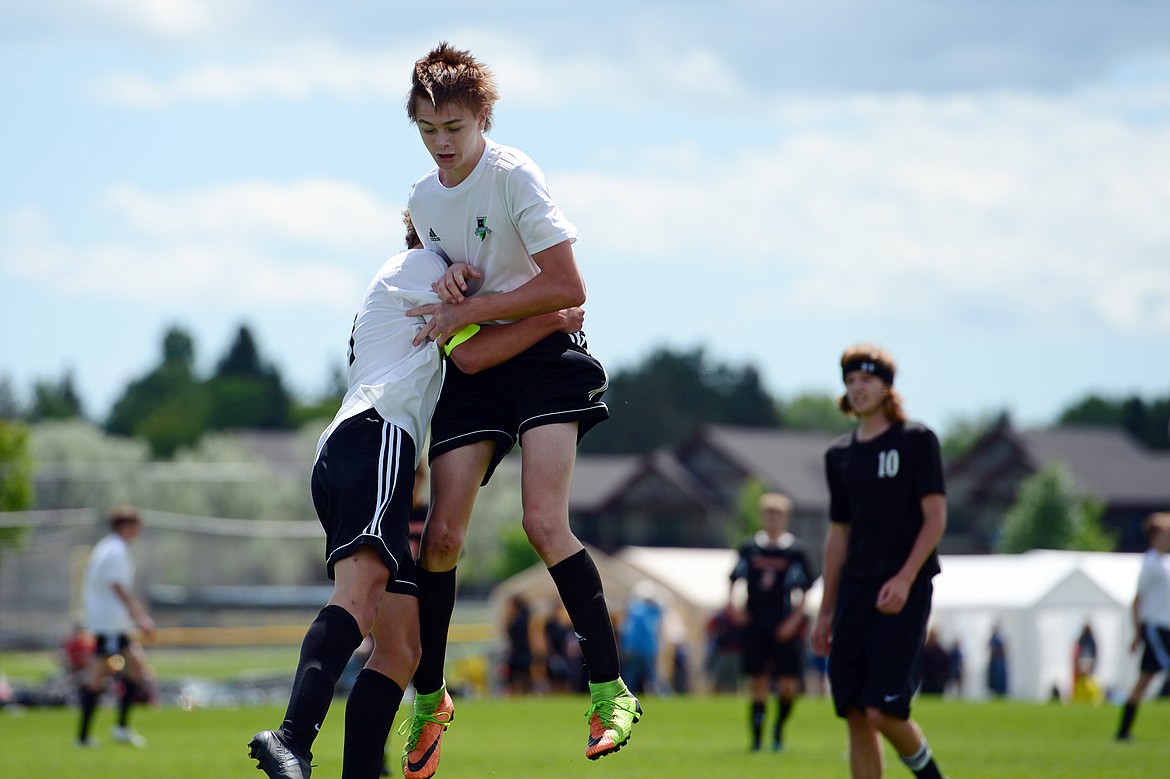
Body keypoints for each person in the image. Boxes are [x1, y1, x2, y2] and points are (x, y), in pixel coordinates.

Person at [248, 212, 588, 779]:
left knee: (402, 648)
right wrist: (553, 315)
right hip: (376, 437)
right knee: (359, 594)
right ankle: (291, 736)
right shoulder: (425, 267)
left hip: (363, 448)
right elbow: (475, 352)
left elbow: (476, 346)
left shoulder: (418, 277)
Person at [398, 42, 638, 778]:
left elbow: (573, 283)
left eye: (457, 127)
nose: (444, 143)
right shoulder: (419, 205)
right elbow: (466, 352)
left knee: (543, 523)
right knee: (439, 537)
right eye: (430, 128)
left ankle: (610, 690)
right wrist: (482, 303)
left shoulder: (513, 174)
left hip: (543, 368)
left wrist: (492, 308)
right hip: (487, 362)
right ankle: (430, 699)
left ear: (483, 119)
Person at [810, 343, 949, 779]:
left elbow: (936, 518)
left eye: (866, 379)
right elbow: (839, 536)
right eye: (850, 381)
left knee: (884, 711)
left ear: (887, 386)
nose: (857, 388)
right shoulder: (840, 456)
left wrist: (906, 578)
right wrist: (825, 610)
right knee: (854, 710)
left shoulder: (917, 441)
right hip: (855, 590)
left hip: (902, 591)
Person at [729, 491, 816, 751]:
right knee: (757, 681)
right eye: (769, 513)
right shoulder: (750, 548)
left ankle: (778, 729)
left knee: (788, 684)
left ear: (786, 518)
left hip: (783, 624)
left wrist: (794, 620)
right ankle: (757, 739)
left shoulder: (795, 551)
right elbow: (733, 580)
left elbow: (806, 589)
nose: (773, 519)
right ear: (762, 517)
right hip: (755, 622)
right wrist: (734, 608)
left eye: (778, 514)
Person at [76, 505, 156, 748]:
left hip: (110, 622)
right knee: (99, 675)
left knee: (136, 666)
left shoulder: (106, 546)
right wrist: (140, 617)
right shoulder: (116, 550)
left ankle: (119, 728)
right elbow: (118, 587)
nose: (138, 530)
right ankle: (84, 737)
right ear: (124, 526)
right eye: (135, 525)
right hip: (110, 623)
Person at [1115, 511, 1170, 741]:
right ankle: (1123, 731)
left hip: (1166, 627)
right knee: (1147, 678)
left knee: (1145, 679)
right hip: (1156, 628)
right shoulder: (1150, 565)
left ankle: (1123, 731)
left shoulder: (1165, 563)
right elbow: (1137, 601)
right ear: (1154, 536)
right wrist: (1138, 634)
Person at [619, 582, 664, 696]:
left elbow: (627, 632)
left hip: (638, 648)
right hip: (645, 649)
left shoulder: (634, 610)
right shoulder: (651, 611)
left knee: (633, 676)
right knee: (648, 676)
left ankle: (626, 695)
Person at [986, 623, 1008, 698]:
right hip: (994, 662)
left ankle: (1000, 693)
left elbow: (1003, 650)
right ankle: (995, 692)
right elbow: (988, 646)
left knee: (999, 679)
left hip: (998, 662)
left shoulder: (1000, 638)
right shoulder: (992, 638)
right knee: (994, 679)